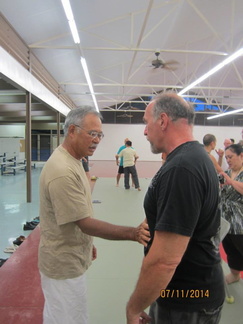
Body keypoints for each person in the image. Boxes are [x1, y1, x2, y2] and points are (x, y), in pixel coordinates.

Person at [38, 106, 150, 324]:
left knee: (65, 313)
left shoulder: (75, 160)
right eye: (92, 133)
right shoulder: (62, 170)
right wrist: (133, 233)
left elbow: (77, 216)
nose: (97, 140)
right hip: (63, 264)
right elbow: (85, 223)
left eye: (100, 134)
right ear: (72, 131)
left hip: (71, 255)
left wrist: (86, 244)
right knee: (67, 317)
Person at [126, 93, 225, 324]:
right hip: (191, 292)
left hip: (187, 299)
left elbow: (164, 261)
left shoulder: (181, 168)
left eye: (145, 122)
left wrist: (134, 307)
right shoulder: (195, 157)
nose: (144, 131)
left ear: (162, 121)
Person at [219, 144, 243, 284]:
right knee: (231, 251)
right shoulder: (227, 173)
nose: (228, 160)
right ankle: (235, 275)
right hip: (226, 222)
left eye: (231, 157)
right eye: (226, 157)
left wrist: (231, 182)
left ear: (241, 156)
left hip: (240, 223)